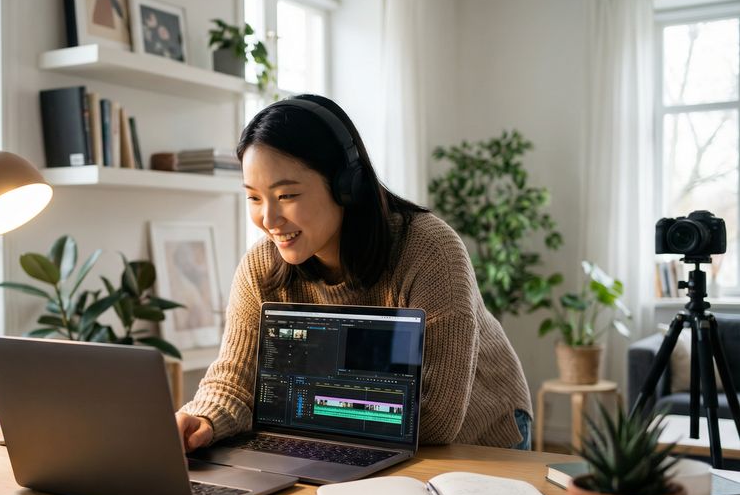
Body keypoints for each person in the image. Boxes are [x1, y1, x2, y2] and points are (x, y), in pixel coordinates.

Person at [175, 94, 533, 452]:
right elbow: (234, 380)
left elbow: (436, 418)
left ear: (346, 185)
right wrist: (204, 418)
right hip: (352, 437)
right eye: (254, 198)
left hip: (481, 434)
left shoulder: (430, 251)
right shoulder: (262, 266)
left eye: (286, 195)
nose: (268, 220)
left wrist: (297, 406)